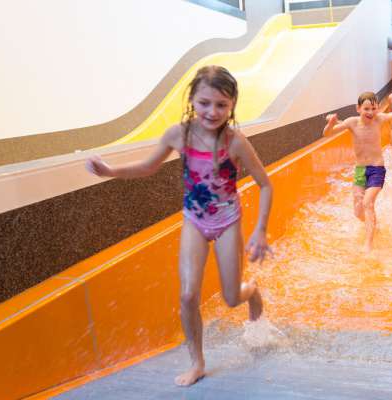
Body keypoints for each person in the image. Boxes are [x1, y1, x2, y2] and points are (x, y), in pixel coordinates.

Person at [85, 65, 271, 387]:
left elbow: (265, 184)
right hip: (195, 220)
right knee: (187, 295)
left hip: (227, 220)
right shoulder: (179, 135)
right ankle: (197, 362)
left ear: (231, 106)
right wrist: (110, 171)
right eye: (204, 103)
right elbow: (147, 166)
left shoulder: (235, 142)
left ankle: (251, 293)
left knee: (230, 297)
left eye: (221, 105)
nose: (212, 112)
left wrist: (260, 229)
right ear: (192, 100)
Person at [322, 92, 392, 252]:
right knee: (358, 210)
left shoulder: (379, 119)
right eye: (366, 109)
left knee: (367, 203)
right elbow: (327, 133)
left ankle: (368, 244)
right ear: (358, 108)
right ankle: (373, 226)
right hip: (360, 170)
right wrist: (331, 123)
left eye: (374, 108)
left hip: (377, 169)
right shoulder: (352, 122)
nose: (370, 112)